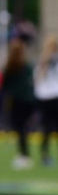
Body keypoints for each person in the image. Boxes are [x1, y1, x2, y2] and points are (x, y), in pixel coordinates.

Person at [1, 37, 36, 170]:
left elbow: (3, 86)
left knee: (20, 129)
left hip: (17, 102)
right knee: (23, 129)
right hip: (28, 101)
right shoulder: (26, 67)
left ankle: (24, 155)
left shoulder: (11, 67)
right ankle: (24, 154)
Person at [34, 35, 58, 167]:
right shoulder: (46, 60)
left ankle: (45, 156)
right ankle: (45, 156)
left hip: (44, 96)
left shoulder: (43, 60)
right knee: (47, 128)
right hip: (52, 96)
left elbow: (37, 80)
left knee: (46, 128)